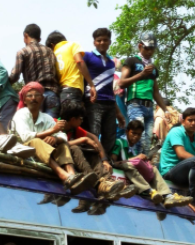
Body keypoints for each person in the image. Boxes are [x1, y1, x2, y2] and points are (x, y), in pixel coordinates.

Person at [11, 83, 95, 194]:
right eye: (29, 96)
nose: (33, 98)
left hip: (43, 155)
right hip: (23, 153)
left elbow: (62, 136)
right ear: (24, 100)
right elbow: (26, 137)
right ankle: (63, 175)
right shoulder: (21, 114)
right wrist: (52, 131)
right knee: (35, 141)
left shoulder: (46, 118)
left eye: (37, 95)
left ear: (42, 99)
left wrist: (55, 139)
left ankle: (71, 174)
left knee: (62, 143)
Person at [59, 100, 134, 204]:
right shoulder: (55, 124)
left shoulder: (74, 128)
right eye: (80, 119)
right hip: (61, 158)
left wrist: (105, 161)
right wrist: (82, 140)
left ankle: (109, 182)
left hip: (72, 157)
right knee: (75, 148)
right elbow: (56, 144)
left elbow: (94, 138)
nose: (82, 121)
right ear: (72, 119)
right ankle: (98, 184)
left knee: (92, 151)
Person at [111, 119, 191, 208]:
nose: (136, 137)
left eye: (139, 134)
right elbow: (114, 163)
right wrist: (135, 158)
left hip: (133, 178)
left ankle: (167, 195)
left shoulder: (135, 149)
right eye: (133, 133)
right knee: (128, 165)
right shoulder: (119, 143)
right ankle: (149, 190)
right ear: (127, 132)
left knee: (153, 168)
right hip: (124, 173)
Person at [117, 32, 168, 155]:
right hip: (135, 104)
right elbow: (121, 83)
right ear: (140, 46)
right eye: (147, 48)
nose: (150, 51)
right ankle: (132, 160)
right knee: (138, 137)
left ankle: (143, 165)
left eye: (152, 48)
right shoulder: (132, 61)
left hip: (149, 107)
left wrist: (165, 110)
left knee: (147, 140)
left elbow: (155, 91)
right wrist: (141, 74)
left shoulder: (153, 68)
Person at [83, 28, 127, 158]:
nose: (102, 42)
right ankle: (94, 162)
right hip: (93, 102)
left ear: (110, 42)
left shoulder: (111, 62)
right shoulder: (88, 56)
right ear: (94, 43)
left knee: (110, 136)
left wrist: (118, 113)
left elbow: (110, 88)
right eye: (99, 40)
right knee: (93, 134)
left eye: (105, 40)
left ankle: (106, 162)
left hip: (109, 103)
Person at [9, 24, 61, 118]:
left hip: (34, 96)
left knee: (35, 127)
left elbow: (15, 76)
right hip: (52, 94)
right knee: (52, 126)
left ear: (25, 36)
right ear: (39, 39)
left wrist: (4, 84)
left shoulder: (22, 52)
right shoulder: (50, 51)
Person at [45, 31, 97, 105]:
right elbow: (79, 62)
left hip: (62, 92)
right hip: (74, 87)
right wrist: (91, 85)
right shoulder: (72, 45)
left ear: (52, 45)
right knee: (75, 116)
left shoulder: (53, 55)